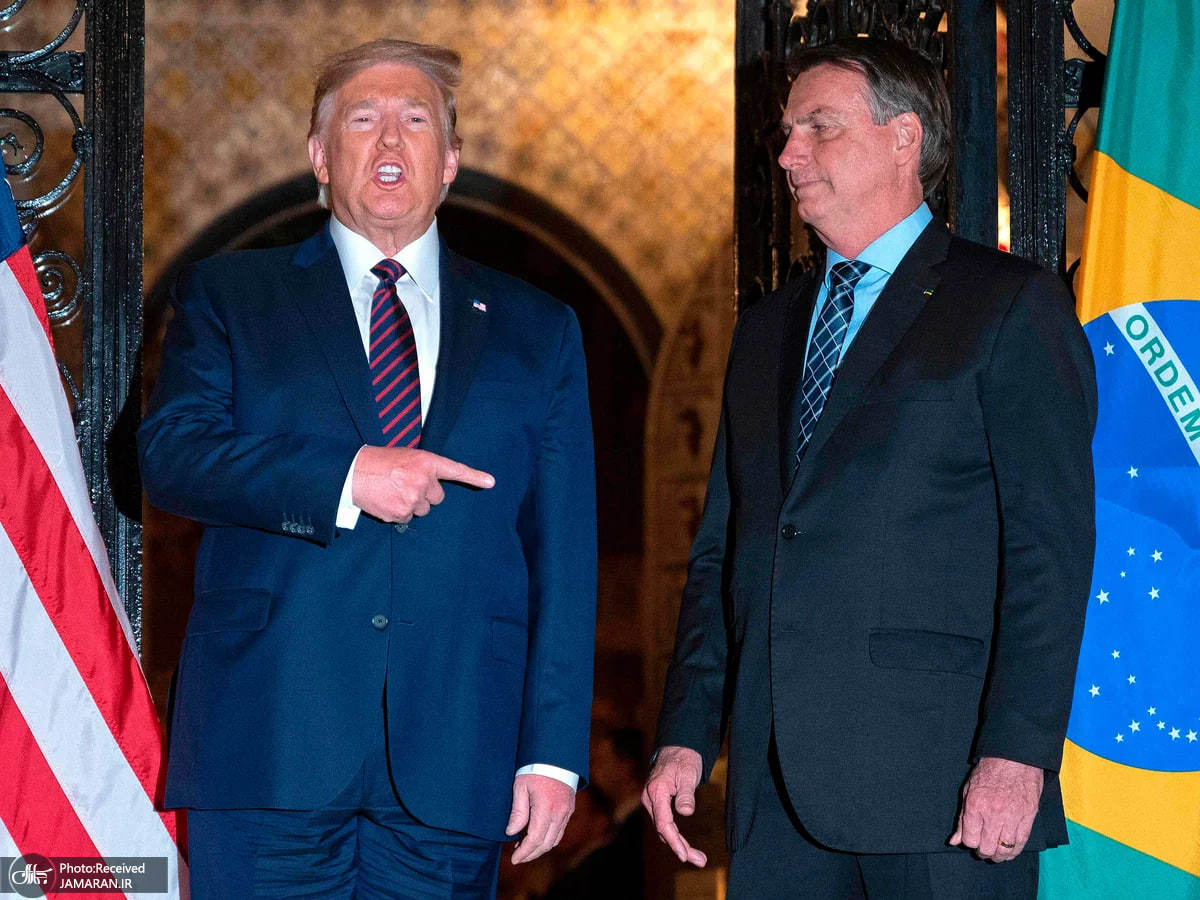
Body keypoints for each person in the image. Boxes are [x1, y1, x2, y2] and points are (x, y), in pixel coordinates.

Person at [140, 39, 597, 898]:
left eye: (415, 120)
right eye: (363, 119)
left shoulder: (539, 329)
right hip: (268, 744)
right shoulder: (229, 295)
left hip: (456, 754)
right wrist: (346, 479)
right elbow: (171, 456)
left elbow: (565, 558)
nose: (390, 140)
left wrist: (551, 754)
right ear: (319, 155)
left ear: (450, 159)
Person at [643, 37, 1096, 898]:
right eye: (786, 134)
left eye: (819, 127)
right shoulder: (764, 331)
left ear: (904, 138)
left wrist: (1017, 753)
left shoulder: (1007, 305)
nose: (788, 155)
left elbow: (1050, 550)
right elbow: (723, 556)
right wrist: (686, 733)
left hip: (942, 788)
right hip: (775, 798)